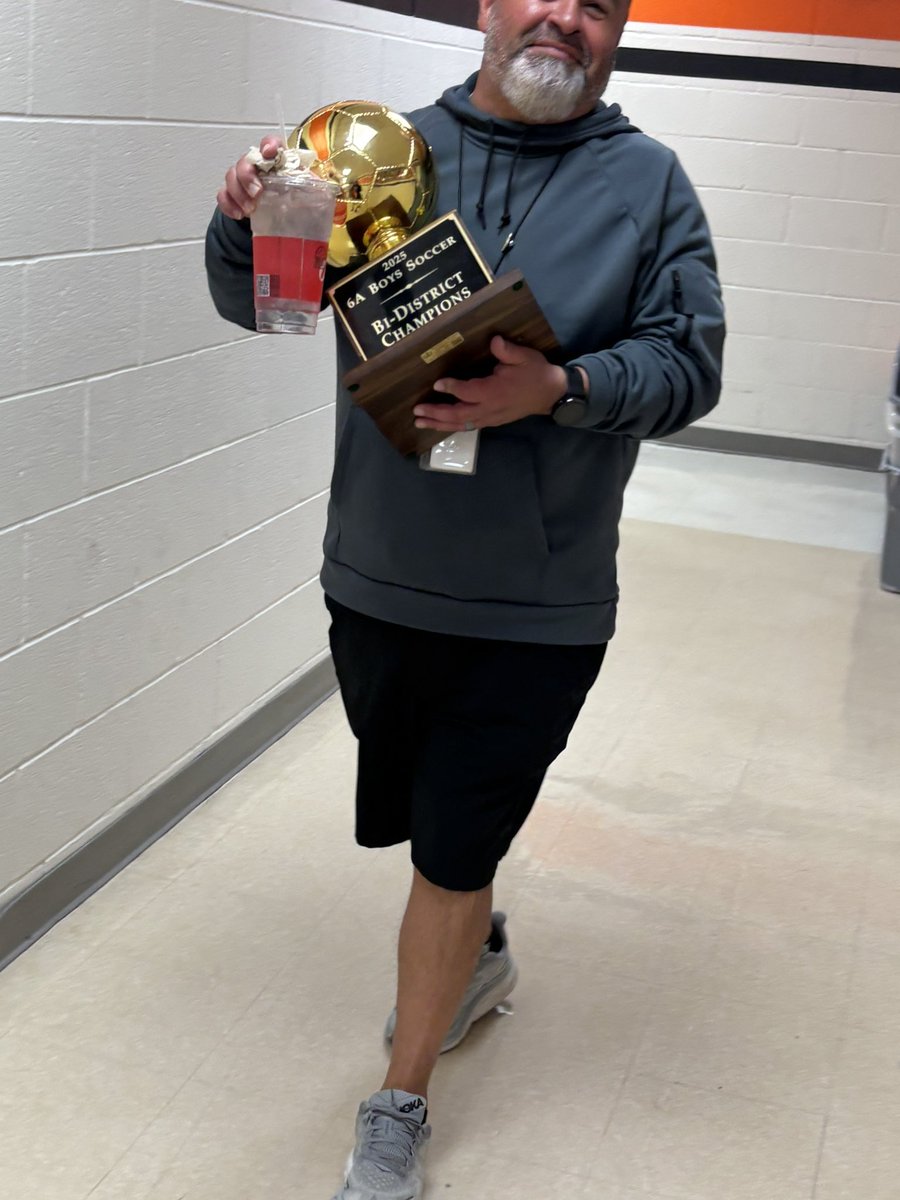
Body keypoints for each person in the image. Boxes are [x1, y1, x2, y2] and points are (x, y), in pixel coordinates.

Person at [206, 0, 725, 1195]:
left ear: (618, 32)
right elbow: (271, 305)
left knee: (449, 844)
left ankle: (399, 1107)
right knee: (421, 814)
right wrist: (248, 226)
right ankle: (478, 945)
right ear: (489, 7)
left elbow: (688, 365)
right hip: (377, 571)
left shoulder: (650, 185)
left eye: (597, 3)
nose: (564, 17)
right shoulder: (370, 148)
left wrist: (560, 386)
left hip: (538, 602)